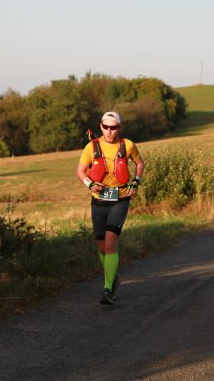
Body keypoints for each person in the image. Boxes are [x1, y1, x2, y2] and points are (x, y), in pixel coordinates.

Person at [76, 111, 145, 305]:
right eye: (106, 127)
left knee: (110, 244)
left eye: (113, 127)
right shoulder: (92, 146)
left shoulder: (128, 145)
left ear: (119, 128)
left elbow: (140, 163)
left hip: (120, 198)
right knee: (100, 246)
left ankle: (107, 290)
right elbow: (80, 171)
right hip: (98, 200)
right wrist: (89, 184)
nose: (109, 131)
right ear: (100, 126)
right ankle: (112, 277)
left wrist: (135, 182)